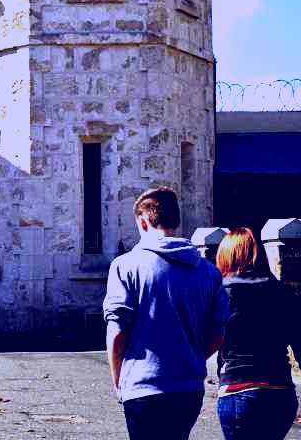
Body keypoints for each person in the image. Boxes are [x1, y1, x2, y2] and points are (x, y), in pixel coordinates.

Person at [103, 186, 229, 440]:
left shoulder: (125, 266)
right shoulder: (208, 271)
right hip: (188, 388)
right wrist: (192, 356)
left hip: (143, 386)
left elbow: (117, 332)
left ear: (143, 220)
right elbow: (219, 332)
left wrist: (119, 377)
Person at [214, 227, 301, 440]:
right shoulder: (284, 293)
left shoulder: (220, 295)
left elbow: (208, 340)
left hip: (238, 388)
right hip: (280, 391)